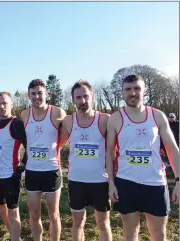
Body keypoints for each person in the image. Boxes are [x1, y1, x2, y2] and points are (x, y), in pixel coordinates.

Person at [106, 74, 179, 241]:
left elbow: (173, 149)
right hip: (126, 182)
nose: (133, 93)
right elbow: (109, 153)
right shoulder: (115, 119)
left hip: (155, 183)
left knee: (159, 234)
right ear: (122, 93)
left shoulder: (158, 116)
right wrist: (111, 182)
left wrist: (178, 181)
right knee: (130, 234)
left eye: (137, 88)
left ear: (144, 91)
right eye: (128, 89)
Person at [62, 80, 112, 241]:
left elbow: (115, 149)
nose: (82, 101)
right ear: (73, 100)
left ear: (93, 97)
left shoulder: (105, 119)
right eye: (78, 97)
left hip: (100, 181)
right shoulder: (68, 121)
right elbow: (55, 144)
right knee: (77, 223)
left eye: (86, 96)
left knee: (103, 224)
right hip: (77, 180)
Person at [20, 79, 67, 241]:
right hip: (32, 171)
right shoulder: (25, 115)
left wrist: (56, 148)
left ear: (46, 93)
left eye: (40, 93)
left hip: (51, 170)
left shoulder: (57, 113)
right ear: (28, 95)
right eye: (33, 93)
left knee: (53, 214)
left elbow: (67, 132)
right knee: (34, 213)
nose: (37, 97)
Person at [0, 91, 27, 241]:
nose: (2, 106)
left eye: (5, 103)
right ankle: (14, 236)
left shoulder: (16, 124)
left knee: (13, 213)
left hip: (10, 176)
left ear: (11, 105)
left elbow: (29, 145)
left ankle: (15, 238)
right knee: (1, 210)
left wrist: (23, 163)